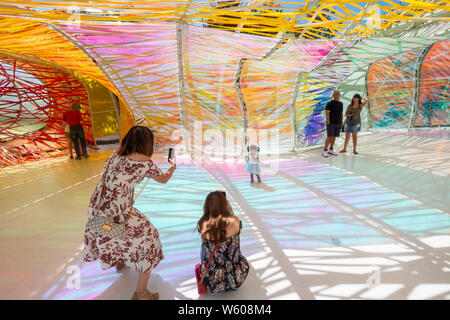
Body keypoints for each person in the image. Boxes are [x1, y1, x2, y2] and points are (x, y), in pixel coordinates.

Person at [83, 125, 176, 300]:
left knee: (117, 235)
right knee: (150, 240)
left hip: (99, 212)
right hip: (119, 216)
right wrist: (172, 167)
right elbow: (163, 179)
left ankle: (119, 260)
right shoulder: (144, 163)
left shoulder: (116, 154)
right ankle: (141, 293)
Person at [196, 191, 250, 294]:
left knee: (204, 246)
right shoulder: (235, 221)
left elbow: (205, 242)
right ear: (225, 204)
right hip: (236, 277)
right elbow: (235, 224)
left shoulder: (202, 224)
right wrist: (229, 208)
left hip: (213, 280)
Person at [323, 90, 343, 157]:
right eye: (334, 94)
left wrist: (341, 121)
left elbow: (341, 113)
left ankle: (331, 149)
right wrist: (328, 121)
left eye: (337, 94)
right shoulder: (330, 103)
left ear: (339, 95)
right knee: (329, 137)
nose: (336, 95)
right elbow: (327, 112)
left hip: (338, 123)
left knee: (334, 137)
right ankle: (325, 150)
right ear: (333, 96)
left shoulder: (341, 104)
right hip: (331, 123)